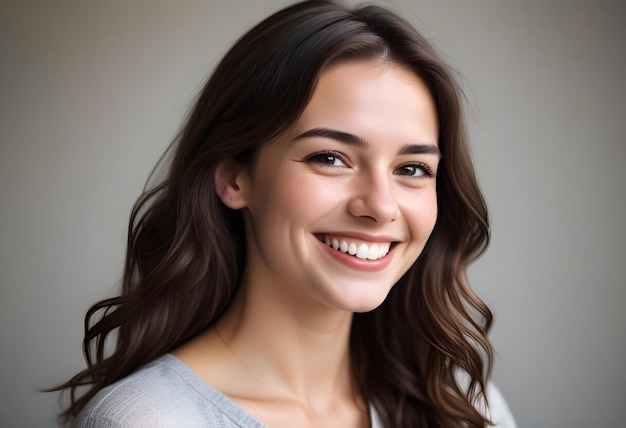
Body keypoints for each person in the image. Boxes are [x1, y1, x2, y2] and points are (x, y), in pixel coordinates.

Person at [51, 1, 516, 427]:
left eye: (412, 168)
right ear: (235, 179)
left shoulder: (466, 406)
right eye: (330, 158)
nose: (379, 206)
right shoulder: (148, 420)